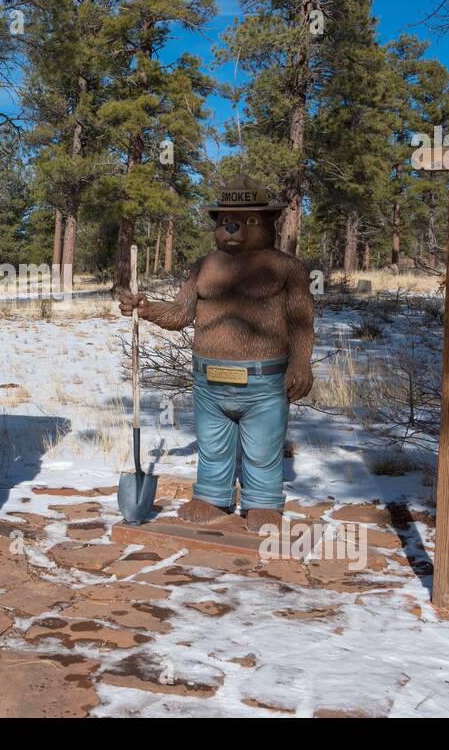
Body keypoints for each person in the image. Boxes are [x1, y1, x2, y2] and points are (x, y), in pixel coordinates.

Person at [118, 177, 316, 530]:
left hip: (265, 380)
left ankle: (263, 502)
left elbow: (302, 320)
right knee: (212, 444)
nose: (234, 228)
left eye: (248, 221)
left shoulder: (287, 268)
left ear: (269, 224)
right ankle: (211, 495)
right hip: (208, 378)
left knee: (263, 446)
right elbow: (181, 313)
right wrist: (147, 308)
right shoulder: (204, 266)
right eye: (226, 220)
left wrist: (301, 362)